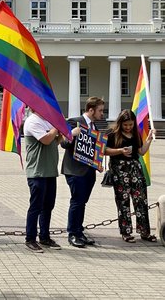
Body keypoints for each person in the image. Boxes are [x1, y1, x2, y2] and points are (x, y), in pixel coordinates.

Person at [105, 109, 157, 243]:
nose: (128, 127)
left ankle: (145, 232)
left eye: (131, 124)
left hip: (135, 170)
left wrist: (149, 139)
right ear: (120, 123)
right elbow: (104, 151)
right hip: (119, 171)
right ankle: (126, 232)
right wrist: (120, 150)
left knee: (141, 200)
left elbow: (141, 152)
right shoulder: (112, 134)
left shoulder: (135, 135)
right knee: (123, 202)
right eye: (125, 125)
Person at [60, 96, 105, 248]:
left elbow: (93, 149)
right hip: (74, 171)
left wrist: (98, 164)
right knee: (77, 201)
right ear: (91, 109)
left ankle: (79, 232)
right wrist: (73, 133)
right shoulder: (74, 122)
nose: (102, 114)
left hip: (89, 171)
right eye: (100, 110)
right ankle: (72, 233)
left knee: (82, 202)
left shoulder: (94, 127)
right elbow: (64, 144)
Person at [22, 109, 62, 253]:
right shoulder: (32, 121)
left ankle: (44, 236)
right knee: (36, 207)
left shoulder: (47, 121)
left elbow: (53, 142)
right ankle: (30, 239)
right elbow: (45, 140)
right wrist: (57, 127)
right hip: (37, 172)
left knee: (48, 206)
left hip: (50, 171)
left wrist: (60, 135)